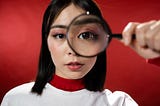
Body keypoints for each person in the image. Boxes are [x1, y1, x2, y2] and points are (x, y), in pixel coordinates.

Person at [1, 0, 159, 106]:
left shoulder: (120, 103)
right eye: (60, 35)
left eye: (86, 35)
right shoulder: (16, 100)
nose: (73, 50)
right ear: (46, 41)